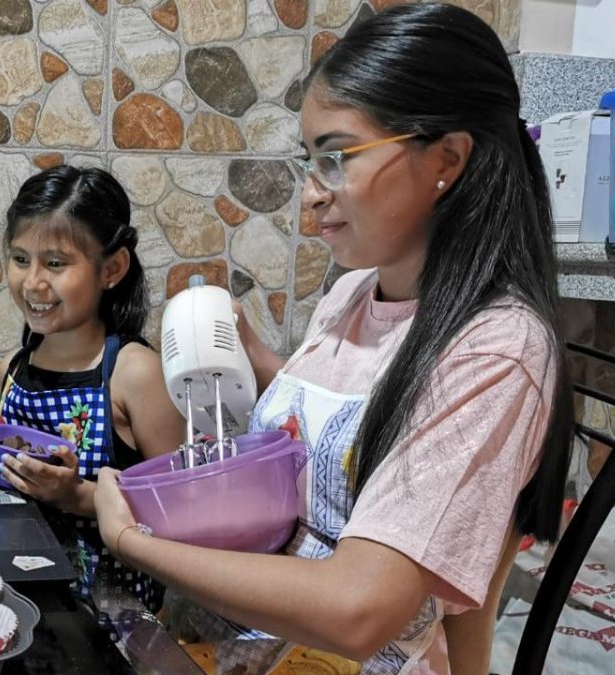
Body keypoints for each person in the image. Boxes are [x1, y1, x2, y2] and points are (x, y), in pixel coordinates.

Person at [91, 4, 573, 673]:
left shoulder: (496, 349)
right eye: (309, 161)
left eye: (338, 157)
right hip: (245, 645)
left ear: (448, 158)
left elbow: (357, 608)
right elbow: (355, 427)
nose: (310, 195)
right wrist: (254, 355)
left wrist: (129, 538)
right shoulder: (353, 291)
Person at [0, 164, 187, 630]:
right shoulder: (12, 369)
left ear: (112, 268)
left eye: (55, 264)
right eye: (21, 259)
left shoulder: (134, 372)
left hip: (114, 626)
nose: (33, 282)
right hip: (20, 606)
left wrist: (77, 495)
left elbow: (179, 511)